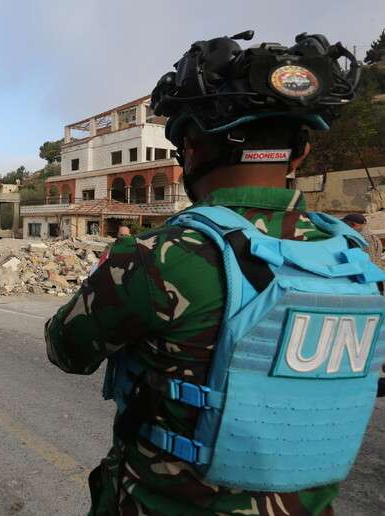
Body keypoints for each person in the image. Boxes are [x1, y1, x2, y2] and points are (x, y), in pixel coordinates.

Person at [46, 31, 385, 515]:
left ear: (191, 147)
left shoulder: (155, 257)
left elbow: (66, 350)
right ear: (301, 152)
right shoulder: (356, 260)